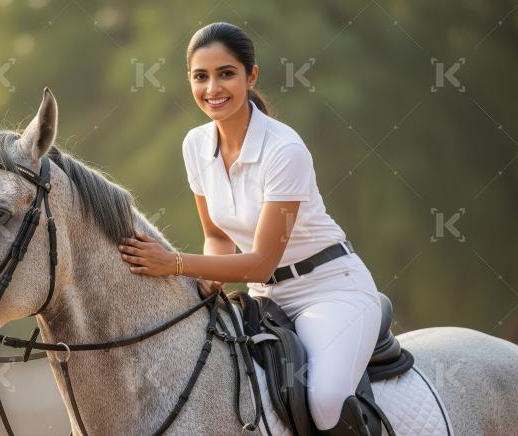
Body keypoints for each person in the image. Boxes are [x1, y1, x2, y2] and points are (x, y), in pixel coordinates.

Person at [117, 22, 381, 436]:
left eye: (226, 74)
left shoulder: (285, 150)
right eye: (200, 76)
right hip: (264, 299)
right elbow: (219, 236)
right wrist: (207, 278)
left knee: (327, 400)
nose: (212, 88)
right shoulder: (194, 145)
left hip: (331, 289)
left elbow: (260, 262)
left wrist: (174, 263)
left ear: (251, 76)